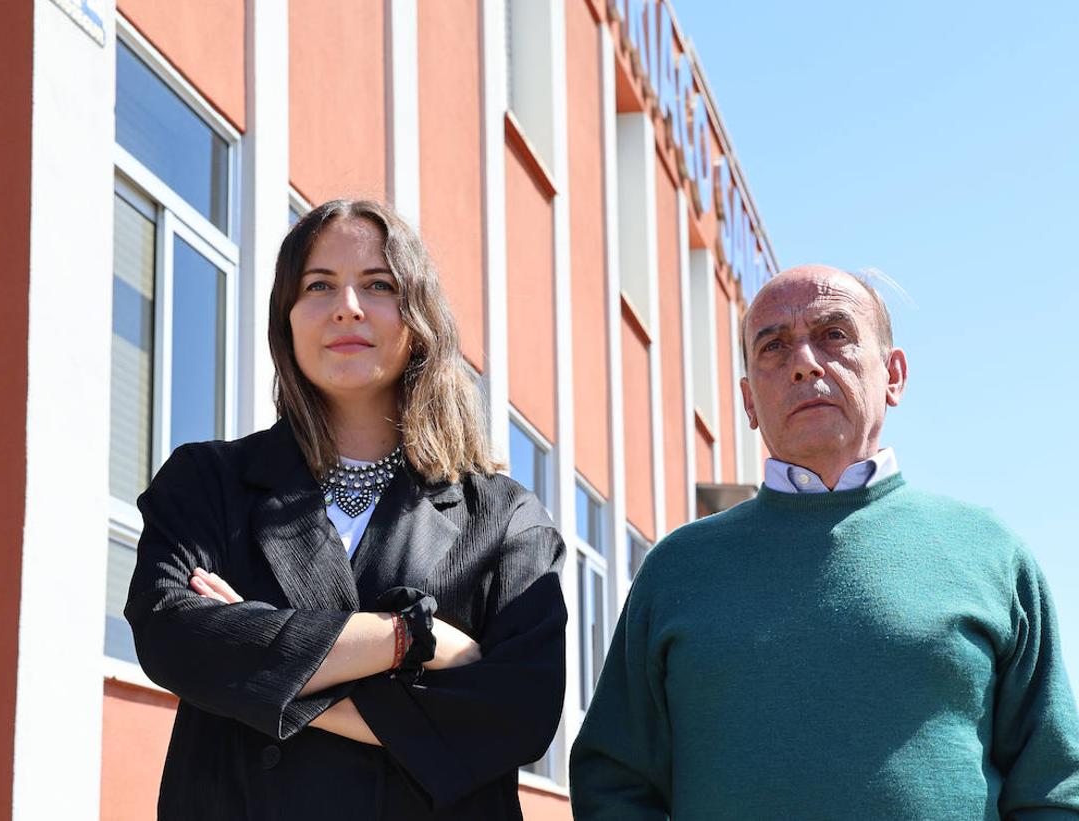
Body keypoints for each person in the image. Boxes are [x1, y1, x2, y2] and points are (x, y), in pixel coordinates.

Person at [569, 264, 1079, 818]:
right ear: (747, 400)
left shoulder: (990, 553)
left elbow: (1053, 784)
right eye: (774, 347)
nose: (805, 363)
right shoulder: (678, 568)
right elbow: (614, 781)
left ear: (894, 375)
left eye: (834, 335)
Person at [125, 199, 567, 820]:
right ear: (288, 317)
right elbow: (171, 636)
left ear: (418, 319)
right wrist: (413, 637)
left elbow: (521, 712)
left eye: (378, 285)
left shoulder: (502, 517)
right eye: (319, 285)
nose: (347, 306)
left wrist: (259, 669)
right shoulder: (207, 482)